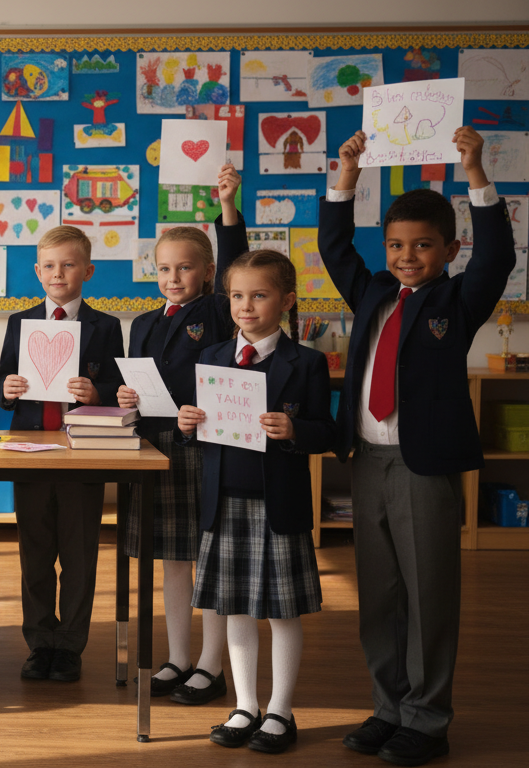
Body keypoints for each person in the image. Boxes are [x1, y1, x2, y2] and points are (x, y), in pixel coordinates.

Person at [323, 127, 515, 766]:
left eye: (424, 246)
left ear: (448, 249)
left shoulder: (457, 300)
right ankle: (389, 706)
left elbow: (497, 259)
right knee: (378, 596)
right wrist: (346, 176)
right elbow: (333, 245)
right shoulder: (373, 291)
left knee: (428, 593)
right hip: (369, 461)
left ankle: (428, 720)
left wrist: (475, 171)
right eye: (398, 245)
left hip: (423, 466)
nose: (408, 257)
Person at [176, 249, 337, 754]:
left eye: (259, 296)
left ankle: (281, 711)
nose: (246, 307)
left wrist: (296, 430)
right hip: (222, 501)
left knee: (282, 611)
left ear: (287, 300)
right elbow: (200, 429)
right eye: (237, 296)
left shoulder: (307, 362)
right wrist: (187, 425)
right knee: (234, 609)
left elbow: (327, 431)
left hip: (278, 504)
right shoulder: (213, 356)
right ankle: (246, 705)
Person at [117, 164, 241, 704]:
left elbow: (241, 266)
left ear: (209, 273)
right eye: (164, 268)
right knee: (170, 560)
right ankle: (179, 657)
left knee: (207, 556)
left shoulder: (217, 310)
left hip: (203, 448)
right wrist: (128, 400)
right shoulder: (143, 321)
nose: (172, 277)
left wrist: (228, 209)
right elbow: (141, 381)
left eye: (185, 269)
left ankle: (212, 667)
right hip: (154, 446)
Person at [0, 225, 122, 683]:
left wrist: (97, 390)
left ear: (87, 270)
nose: (58, 273)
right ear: (37, 271)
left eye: (68, 264)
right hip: (29, 449)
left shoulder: (105, 327)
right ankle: (39, 641)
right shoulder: (19, 322)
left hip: (83, 453)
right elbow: (3, 382)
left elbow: (118, 390)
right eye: (49, 265)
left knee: (79, 553)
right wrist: (4, 389)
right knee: (35, 552)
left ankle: (70, 645)